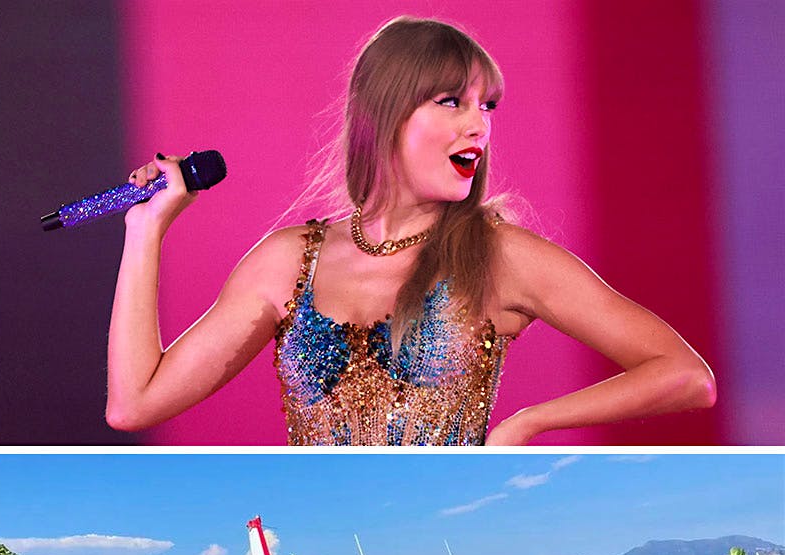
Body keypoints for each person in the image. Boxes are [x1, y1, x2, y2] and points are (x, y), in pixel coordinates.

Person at [104, 16, 715, 446]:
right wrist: (145, 229)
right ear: (386, 113)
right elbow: (135, 404)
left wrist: (528, 422)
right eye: (453, 101)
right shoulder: (288, 262)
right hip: (324, 546)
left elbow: (686, 376)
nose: (480, 125)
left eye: (488, 106)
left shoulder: (499, 255)